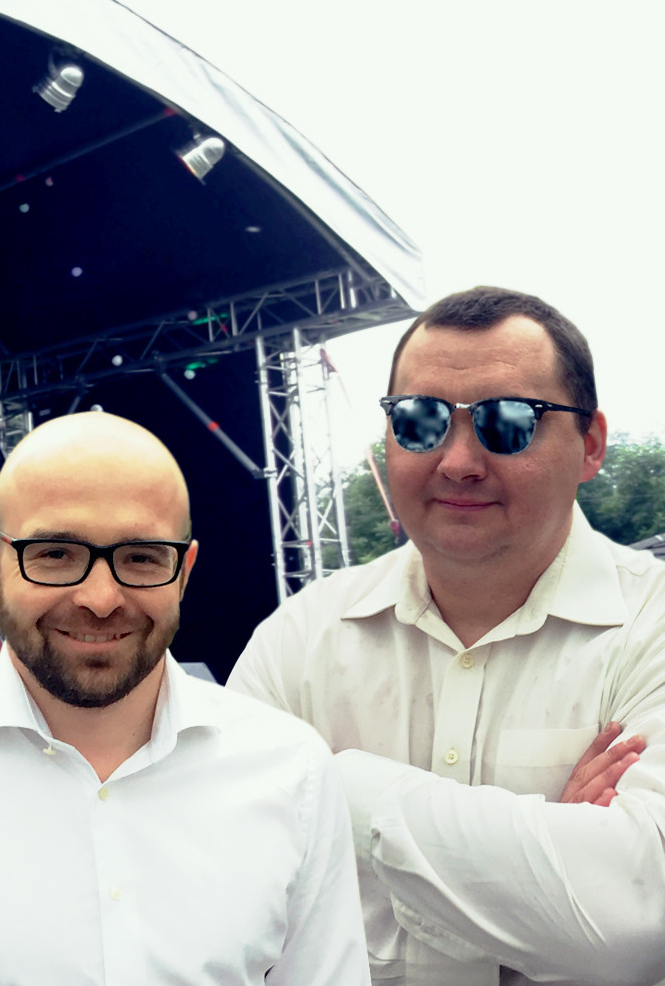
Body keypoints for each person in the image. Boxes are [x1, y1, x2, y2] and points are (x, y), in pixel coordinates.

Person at [0, 411, 370, 985]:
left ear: (183, 572)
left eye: (141, 556)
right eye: (55, 553)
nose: (100, 598)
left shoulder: (292, 772)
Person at [228, 286, 665, 985]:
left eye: (508, 421)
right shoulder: (300, 637)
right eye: (420, 420)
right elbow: (222, 882)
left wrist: (328, 789)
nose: (458, 460)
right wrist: (548, 850)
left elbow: (636, 925)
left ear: (590, 445)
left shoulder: (654, 624)